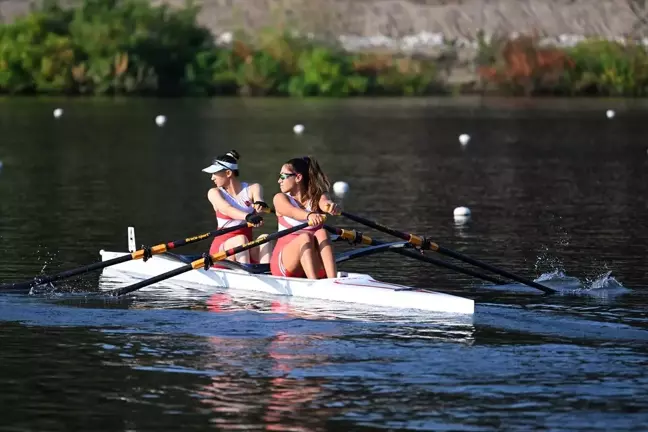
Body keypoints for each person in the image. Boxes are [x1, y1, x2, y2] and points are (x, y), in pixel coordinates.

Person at [270, 156, 340, 279]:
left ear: (298, 177)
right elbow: (292, 212)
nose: (279, 181)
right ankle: (313, 284)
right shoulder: (280, 198)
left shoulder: (318, 197)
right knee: (305, 237)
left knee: (322, 233)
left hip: (312, 262)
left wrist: (330, 207)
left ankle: (333, 281)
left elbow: (325, 203)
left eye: (282, 176)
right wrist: (309, 215)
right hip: (284, 265)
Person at [203, 150, 271, 267]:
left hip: (246, 248)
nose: (212, 178)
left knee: (265, 238)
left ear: (228, 173)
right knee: (241, 239)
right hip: (221, 252)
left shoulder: (253, 188)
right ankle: (246, 276)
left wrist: (260, 205)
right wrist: (248, 216)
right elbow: (227, 209)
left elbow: (259, 199)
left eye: (215, 173)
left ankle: (269, 275)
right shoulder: (214, 193)